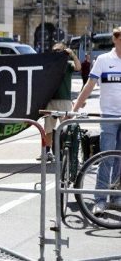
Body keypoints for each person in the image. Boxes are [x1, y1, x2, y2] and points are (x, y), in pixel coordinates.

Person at [72, 27, 121, 216]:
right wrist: (75, 109)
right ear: (116, 39)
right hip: (109, 116)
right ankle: (100, 199)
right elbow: (89, 85)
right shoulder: (103, 60)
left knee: (120, 160)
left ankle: (116, 196)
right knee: (106, 158)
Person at [39, 43, 80, 162]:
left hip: (64, 100)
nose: (56, 52)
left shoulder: (67, 65)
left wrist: (72, 54)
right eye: (54, 50)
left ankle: (69, 151)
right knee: (48, 129)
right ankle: (47, 151)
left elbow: (78, 67)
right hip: (50, 100)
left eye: (59, 50)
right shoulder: (49, 64)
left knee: (67, 129)